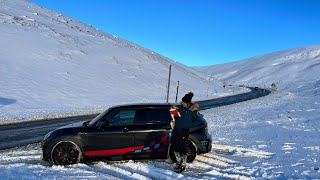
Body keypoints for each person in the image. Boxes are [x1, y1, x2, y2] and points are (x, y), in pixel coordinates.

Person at [171, 92, 201, 172]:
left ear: (187, 103)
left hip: (184, 131)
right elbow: (177, 117)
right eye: (182, 102)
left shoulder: (192, 111)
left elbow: (198, 121)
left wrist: (188, 125)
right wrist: (173, 111)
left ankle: (183, 165)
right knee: (174, 146)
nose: (182, 104)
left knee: (182, 147)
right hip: (176, 130)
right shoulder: (181, 108)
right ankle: (178, 162)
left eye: (184, 103)